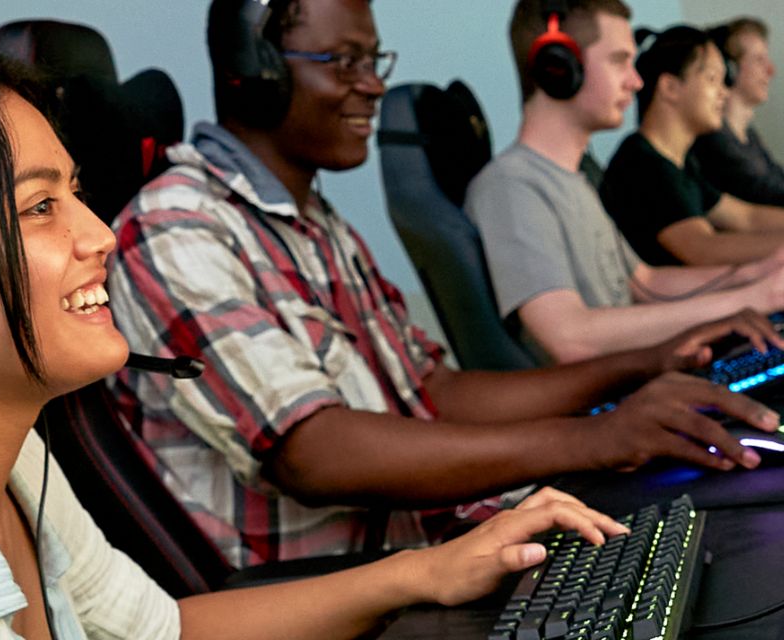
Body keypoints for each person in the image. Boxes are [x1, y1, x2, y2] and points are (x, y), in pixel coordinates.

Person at [0, 49, 637, 640]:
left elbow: (164, 632)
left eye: (78, 195)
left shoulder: (20, 471)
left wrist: (428, 571)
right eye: (40, 208)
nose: (102, 236)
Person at [107, 0, 781, 570]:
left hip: (440, 542)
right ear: (252, 70)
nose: (371, 86)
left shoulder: (317, 225)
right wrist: (599, 438)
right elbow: (313, 452)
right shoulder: (181, 225)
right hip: (348, 589)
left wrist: (645, 364)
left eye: (374, 62)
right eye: (344, 61)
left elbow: (434, 389)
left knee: (721, 540)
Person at [465, 0, 784, 363]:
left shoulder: (575, 181)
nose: (635, 81)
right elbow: (570, 337)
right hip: (609, 407)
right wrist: (752, 299)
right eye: (619, 61)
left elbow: (646, 284)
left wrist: (759, 273)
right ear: (557, 66)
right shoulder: (512, 188)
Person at [600, 25, 784, 267]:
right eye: (712, 79)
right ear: (670, 88)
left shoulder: (682, 164)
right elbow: (703, 249)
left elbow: (747, 218)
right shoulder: (641, 164)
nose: (724, 93)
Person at [691, 17, 784, 207]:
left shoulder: (748, 136)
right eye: (759, 59)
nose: (770, 71)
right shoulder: (713, 140)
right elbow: (765, 194)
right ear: (729, 70)